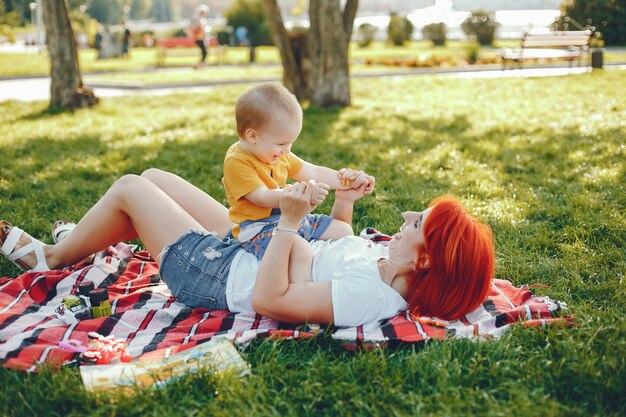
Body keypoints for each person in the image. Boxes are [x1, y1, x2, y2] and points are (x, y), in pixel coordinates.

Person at [0, 169, 495, 326]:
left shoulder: (370, 297)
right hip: (256, 248)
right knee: (153, 178)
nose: (407, 218)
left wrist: (289, 225)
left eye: (418, 222)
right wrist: (342, 203)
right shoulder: (391, 266)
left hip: (219, 276)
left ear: (427, 257)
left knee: (132, 189)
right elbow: (340, 247)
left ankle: (53, 256)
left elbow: (270, 301)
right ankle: (79, 240)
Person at [224, 83, 375, 259]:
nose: (287, 150)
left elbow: (315, 173)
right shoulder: (237, 161)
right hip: (258, 230)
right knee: (299, 252)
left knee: (344, 230)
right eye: (281, 144)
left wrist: (349, 180)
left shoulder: (279, 154)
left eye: (291, 143)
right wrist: (302, 194)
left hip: (292, 218)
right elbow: (262, 197)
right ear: (252, 136)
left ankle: (325, 257)